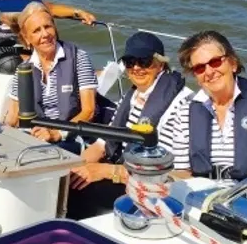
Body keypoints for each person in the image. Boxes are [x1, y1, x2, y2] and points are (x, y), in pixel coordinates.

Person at [157, 30, 247, 202]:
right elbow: (183, 172)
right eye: (200, 68)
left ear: (233, 63)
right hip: (206, 206)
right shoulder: (184, 113)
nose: (209, 71)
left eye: (215, 62)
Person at [67, 32, 186, 219]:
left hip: (149, 190)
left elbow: (169, 174)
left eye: (144, 61)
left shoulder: (178, 105)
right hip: (123, 172)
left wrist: (106, 172)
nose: (136, 68)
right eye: (130, 62)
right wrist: (72, 169)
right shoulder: (130, 97)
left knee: (78, 198)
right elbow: (102, 144)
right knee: (64, 185)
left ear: (160, 64)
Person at [2, 2, 97, 149]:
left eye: (47, 27)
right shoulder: (23, 69)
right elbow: (13, 116)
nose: (45, 34)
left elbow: (88, 111)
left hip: (70, 138)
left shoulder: (78, 57)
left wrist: (57, 133)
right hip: (34, 136)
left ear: (55, 28)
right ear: (27, 39)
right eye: (36, 31)